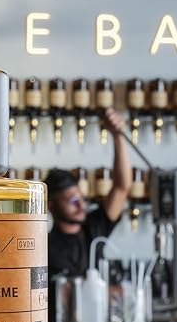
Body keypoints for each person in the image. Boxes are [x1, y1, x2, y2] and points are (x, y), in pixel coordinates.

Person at [44, 107, 131, 278]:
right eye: (72, 200)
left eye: (81, 198)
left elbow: (122, 187)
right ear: (51, 206)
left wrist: (118, 136)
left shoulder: (94, 229)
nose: (81, 205)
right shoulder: (44, 247)